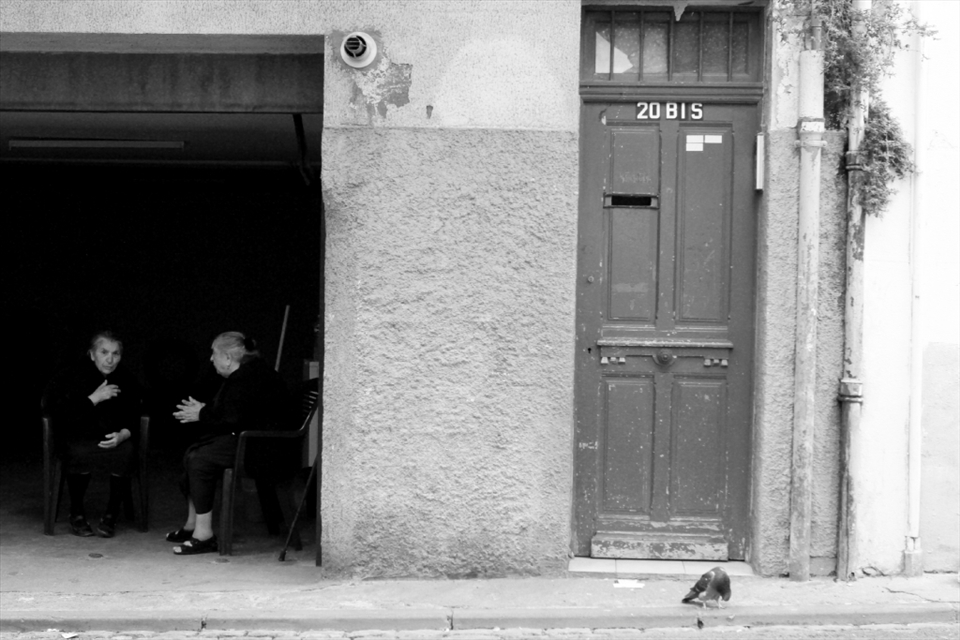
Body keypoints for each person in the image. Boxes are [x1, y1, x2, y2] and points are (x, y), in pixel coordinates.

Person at [169, 331, 287, 555]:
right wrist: (203, 411)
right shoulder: (247, 373)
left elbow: (233, 418)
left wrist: (202, 414)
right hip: (253, 441)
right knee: (193, 452)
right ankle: (192, 525)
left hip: (261, 448)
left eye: (214, 354)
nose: (211, 359)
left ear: (228, 358)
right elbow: (234, 413)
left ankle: (204, 536)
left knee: (200, 460)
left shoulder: (246, 377)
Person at [45, 331, 141, 538]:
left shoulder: (127, 378)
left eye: (115, 354)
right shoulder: (71, 375)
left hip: (114, 438)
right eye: (104, 352)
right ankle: (77, 512)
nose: (110, 359)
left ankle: (111, 515)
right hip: (79, 436)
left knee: (127, 452)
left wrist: (124, 434)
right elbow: (57, 409)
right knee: (78, 453)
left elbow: (136, 413)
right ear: (92, 354)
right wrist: (93, 399)